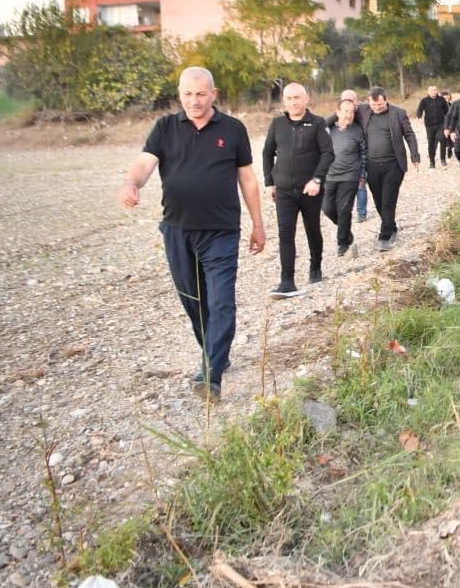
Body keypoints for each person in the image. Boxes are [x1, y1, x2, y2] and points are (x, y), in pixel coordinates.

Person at [117, 67, 266, 402]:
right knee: (194, 302)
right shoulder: (165, 128)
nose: (194, 101)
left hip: (221, 231)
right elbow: (144, 163)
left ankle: (211, 376)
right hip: (177, 230)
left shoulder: (233, 129)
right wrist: (131, 183)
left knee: (221, 301)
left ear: (214, 94)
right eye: (187, 94)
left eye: (201, 94)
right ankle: (216, 353)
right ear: (179, 94)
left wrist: (258, 223)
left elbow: (247, 179)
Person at [263, 82, 333, 297]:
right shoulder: (277, 124)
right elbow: (267, 153)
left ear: (306, 99)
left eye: (297, 98)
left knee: (312, 229)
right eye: (289, 98)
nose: (293, 102)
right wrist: (269, 183)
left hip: (310, 189)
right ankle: (287, 281)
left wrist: (317, 180)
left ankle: (315, 268)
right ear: (284, 101)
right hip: (284, 190)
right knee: (285, 234)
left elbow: (328, 153)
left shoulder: (318, 123)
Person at [356, 86, 420, 251]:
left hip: (393, 165)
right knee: (378, 201)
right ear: (369, 101)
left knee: (388, 201)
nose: (377, 108)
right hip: (372, 165)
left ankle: (384, 237)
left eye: (380, 105)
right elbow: (344, 112)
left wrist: (414, 155)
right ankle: (392, 227)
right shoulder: (363, 111)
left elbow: (409, 134)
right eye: (374, 105)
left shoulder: (398, 113)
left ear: (386, 100)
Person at [323, 97, 366, 257]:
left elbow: (364, 153)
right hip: (329, 175)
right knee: (327, 208)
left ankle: (342, 242)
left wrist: (362, 174)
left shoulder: (357, 130)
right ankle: (346, 231)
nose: (348, 115)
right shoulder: (327, 129)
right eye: (345, 111)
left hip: (351, 175)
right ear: (337, 113)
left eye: (351, 112)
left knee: (344, 208)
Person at [327, 89, 369, 222]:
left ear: (356, 102)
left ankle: (361, 213)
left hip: (358, 154)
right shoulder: (335, 118)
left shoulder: (363, 111)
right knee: (331, 204)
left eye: (352, 101)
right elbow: (322, 125)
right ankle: (343, 221)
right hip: (336, 168)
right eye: (346, 100)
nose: (350, 113)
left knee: (361, 185)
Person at [415, 85, 451, 169]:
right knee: (431, 143)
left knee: (442, 139)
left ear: (437, 91)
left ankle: (443, 159)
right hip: (429, 125)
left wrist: (449, 122)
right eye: (431, 90)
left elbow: (447, 111)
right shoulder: (424, 100)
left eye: (435, 90)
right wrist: (419, 117)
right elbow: (419, 109)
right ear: (428, 92)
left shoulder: (441, 100)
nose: (433, 92)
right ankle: (432, 162)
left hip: (440, 124)